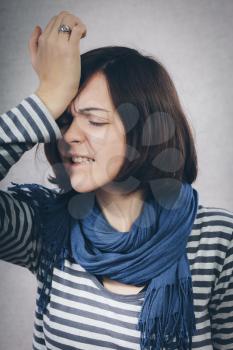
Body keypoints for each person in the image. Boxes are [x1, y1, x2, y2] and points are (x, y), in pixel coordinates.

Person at [0, 10, 233, 350]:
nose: (69, 136)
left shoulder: (218, 243)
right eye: (63, 120)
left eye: (94, 121)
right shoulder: (46, 229)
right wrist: (47, 97)